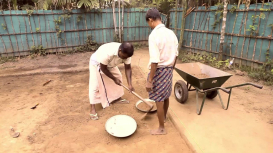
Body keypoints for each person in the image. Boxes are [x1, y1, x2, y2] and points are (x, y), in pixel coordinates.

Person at [145, 8, 178, 135]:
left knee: (159, 99)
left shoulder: (154, 35)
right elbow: (176, 54)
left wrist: (150, 80)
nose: (149, 25)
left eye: (148, 23)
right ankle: (163, 118)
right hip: (169, 69)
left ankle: (161, 128)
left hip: (159, 70)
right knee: (166, 96)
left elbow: (154, 60)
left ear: (151, 20)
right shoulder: (171, 33)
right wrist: (171, 69)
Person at [89, 42, 135, 120]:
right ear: (120, 51)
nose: (125, 59)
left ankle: (117, 98)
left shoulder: (127, 54)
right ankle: (92, 108)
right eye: (124, 57)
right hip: (97, 63)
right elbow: (103, 69)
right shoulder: (107, 53)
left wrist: (130, 84)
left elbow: (128, 68)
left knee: (118, 76)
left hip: (110, 64)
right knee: (95, 85)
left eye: (126, 58)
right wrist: (114, 79)